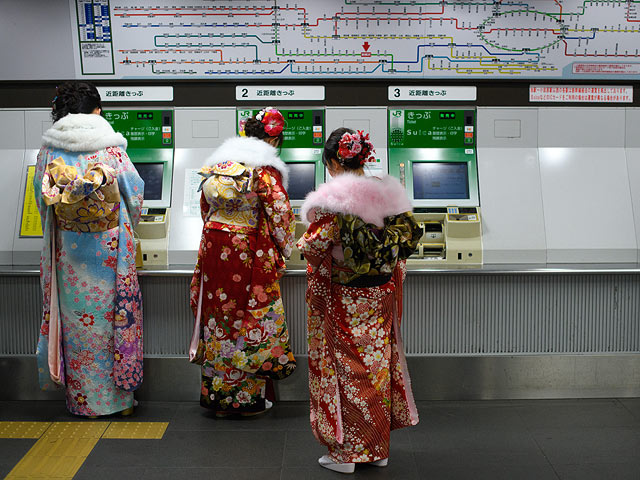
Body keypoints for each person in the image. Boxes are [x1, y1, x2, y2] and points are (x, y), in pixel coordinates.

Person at [297, 128, 422, 473]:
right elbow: (398, 250)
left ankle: (347, 453)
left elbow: (313, 247)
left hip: (346, 298)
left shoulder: (332, 202)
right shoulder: (388, 196)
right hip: (380, 294)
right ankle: (378, 448)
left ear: (335, 162)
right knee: (378, 367)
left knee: (349, 371)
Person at [34, 82, 144, 417]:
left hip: (69, 251)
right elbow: (135, 196)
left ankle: (83, 402)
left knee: (77, 324)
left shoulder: (49, 152)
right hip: (110, 252)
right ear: (97, 110)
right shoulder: (111, 151)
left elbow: (43, 202)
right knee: (115, 319)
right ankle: (119, 402)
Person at [189, 107, 296, 416]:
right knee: (246, 318)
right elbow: (280, 214)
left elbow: (204, 207)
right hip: (245, 250)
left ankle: (216, 397)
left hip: (215, 245)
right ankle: (244, 399)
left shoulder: (217, 165)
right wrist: (286, 247)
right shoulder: (264, 170)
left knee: (217, 319)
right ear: (274, 140)